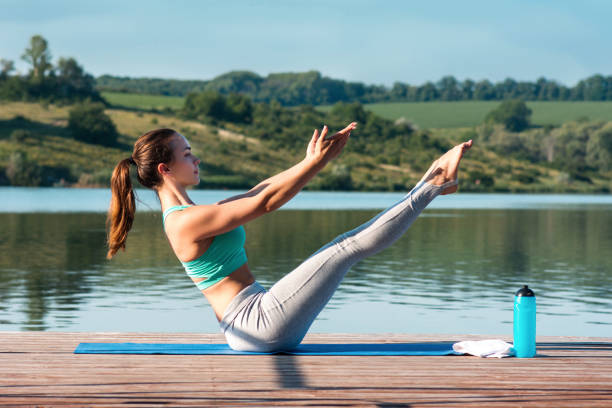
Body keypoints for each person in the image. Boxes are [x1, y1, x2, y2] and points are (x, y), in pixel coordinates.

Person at [106, 123, 472, 352]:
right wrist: (315, 164)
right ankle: (435, 184)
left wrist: (311, 161)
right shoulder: (184, 223)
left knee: (343, 248)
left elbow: (262, 192)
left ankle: (436, 185)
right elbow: (264, 202)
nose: (196, 159)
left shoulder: (196, 214)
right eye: (188, 155)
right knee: (344, 247)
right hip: (256, 323)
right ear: (165, 169)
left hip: (256, 318)